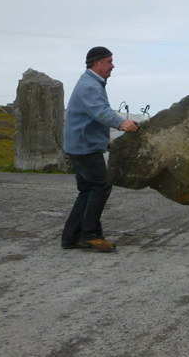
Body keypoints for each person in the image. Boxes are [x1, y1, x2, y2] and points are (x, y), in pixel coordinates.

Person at [61, 47, 138, 252]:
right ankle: (91, 235)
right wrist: (121, 123)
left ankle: (71, 237)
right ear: (97, 63)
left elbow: (97, 112)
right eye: (109, 61)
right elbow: (100, 111)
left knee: (87, 190)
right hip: (85, 147)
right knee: (101, 186)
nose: (113, 66)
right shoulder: (90, 86)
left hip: (79, 145)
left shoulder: (90, 82)